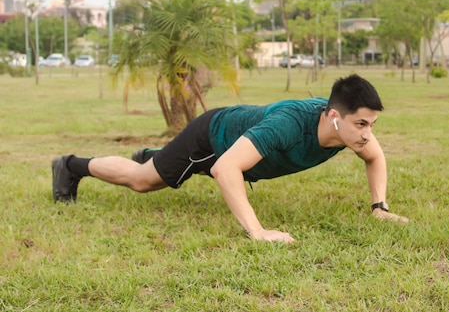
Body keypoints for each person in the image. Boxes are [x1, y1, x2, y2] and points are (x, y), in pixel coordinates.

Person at [52, 74, 408, 242]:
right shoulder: (287, 125)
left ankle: (155, 157)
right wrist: (257, 231)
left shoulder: (352, 134)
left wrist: (380, 207)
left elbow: (375, 158)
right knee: (143, 180)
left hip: (237, 144)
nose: (367, 134)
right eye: (361, 124)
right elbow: (225, 168)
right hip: (211, 140)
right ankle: (70, 165)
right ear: (334, 116)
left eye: (371, 124)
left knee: (156, 167)